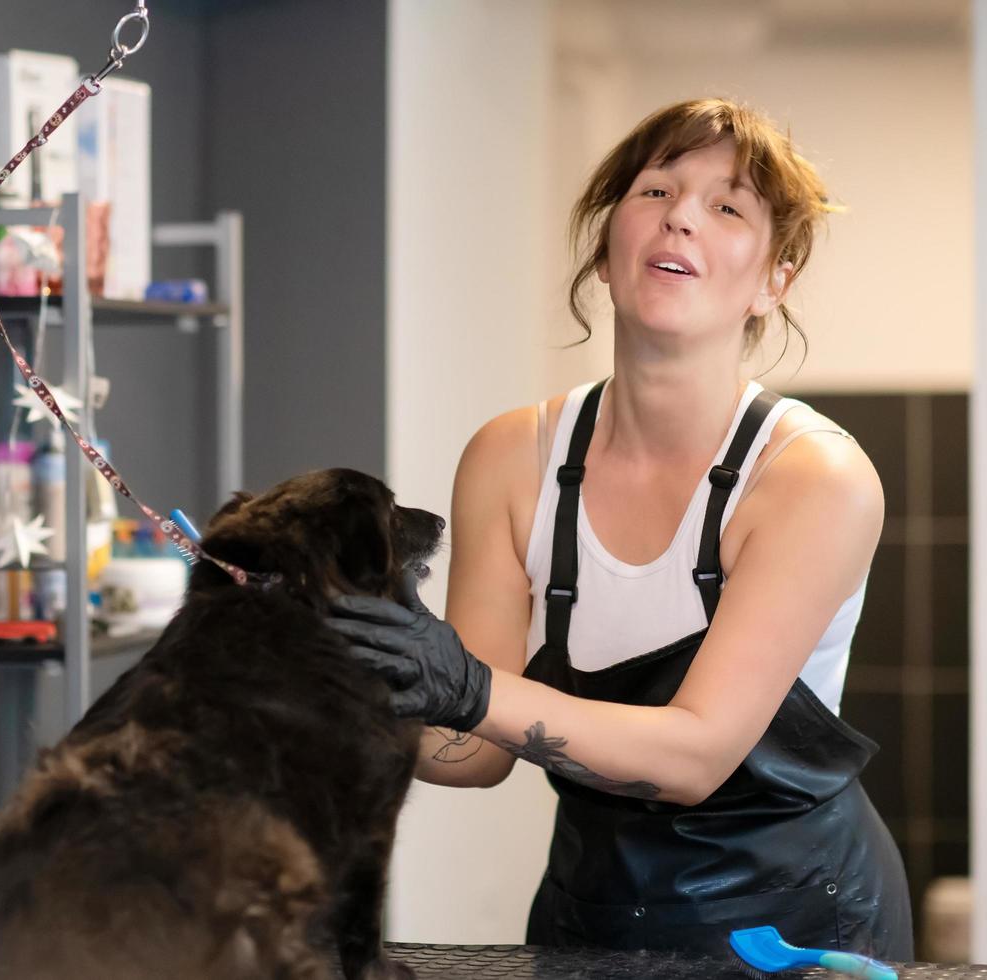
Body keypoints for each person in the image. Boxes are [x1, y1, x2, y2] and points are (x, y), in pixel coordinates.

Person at [326, 98, 913, 958]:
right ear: (607, 247)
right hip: (587, 919)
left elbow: (694, 756)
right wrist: (338, 675)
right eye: (656, 190)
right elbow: (472, 754)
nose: (680, 215)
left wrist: (465, 684)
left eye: (726, 206)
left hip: (795, 930)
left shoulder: (812, 479)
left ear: (772, 280)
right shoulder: (511, 458)